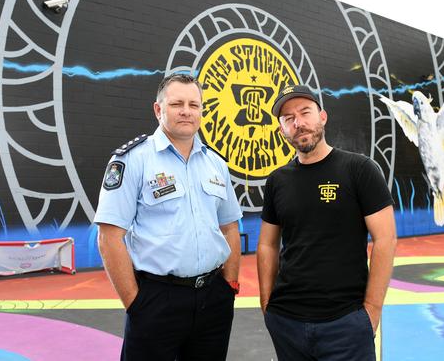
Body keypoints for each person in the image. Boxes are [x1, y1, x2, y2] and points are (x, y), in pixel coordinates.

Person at [94, 74, 243, 361]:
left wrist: (229, 285)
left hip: (214, 299)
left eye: (194, 104)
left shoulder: (216, 163)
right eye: (176, 104)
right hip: (157, 300)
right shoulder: (132, 160)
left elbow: (229, 228)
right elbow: (109, 237)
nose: (186, 111)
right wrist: (136, 304)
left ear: (201, 111)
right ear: (158, 109)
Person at [257, 85, 397, 361]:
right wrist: (267, 306)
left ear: (322, 116)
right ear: (282, 130)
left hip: (346, 322)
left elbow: (385, 240)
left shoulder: (359, 169)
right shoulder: (277, 180)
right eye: (288, 119)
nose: (298, 123)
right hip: (287, 321)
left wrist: (371, 310)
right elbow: (267, 245)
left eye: (305, 112)